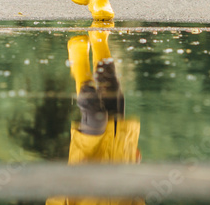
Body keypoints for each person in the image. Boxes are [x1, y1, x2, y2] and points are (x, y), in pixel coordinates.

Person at [46, 29, 142, 205]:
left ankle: (79, 61)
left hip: (86, 166)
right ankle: (99, 38)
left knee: (96, 117)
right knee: (112, 90)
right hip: (120, 162)